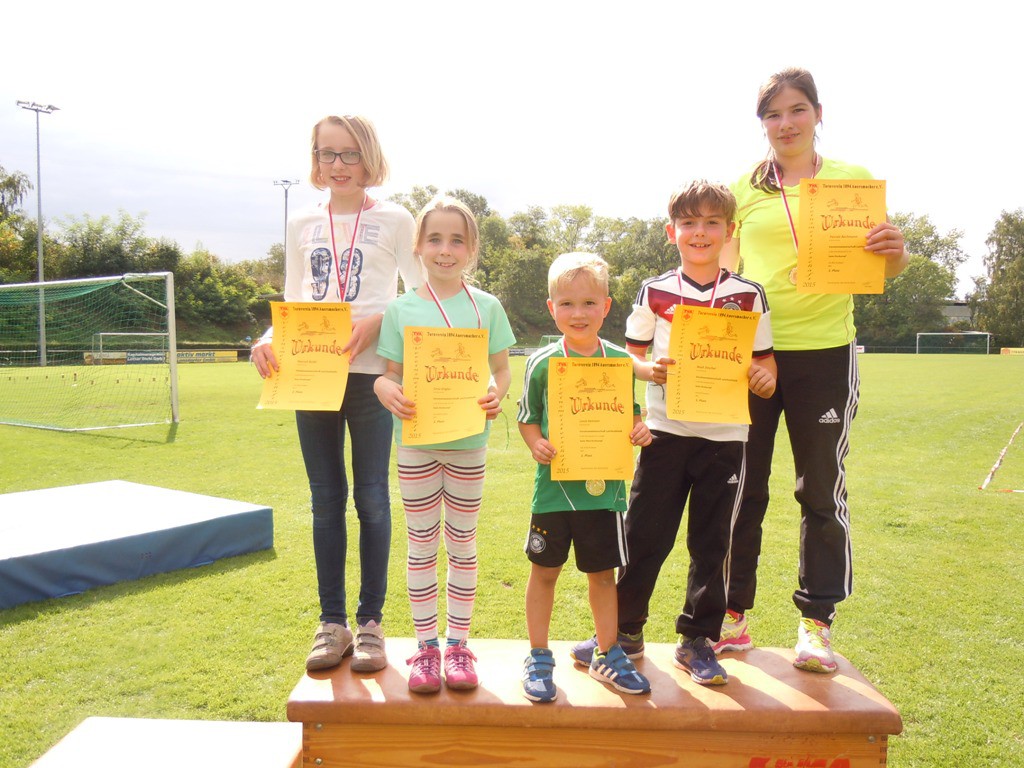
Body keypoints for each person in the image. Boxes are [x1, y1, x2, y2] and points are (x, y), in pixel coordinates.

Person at [719, 68, 909, 673]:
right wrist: (748, 350)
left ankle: (816, 624)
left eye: (797, 110)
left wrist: (897, 253)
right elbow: (725, 280)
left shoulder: (852, 182)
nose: (786, 123)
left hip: (827, 353)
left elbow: (885, 268)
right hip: (755, 355)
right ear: (763, 125)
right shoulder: (742, 189)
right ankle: (732, 617)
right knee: (740, 490)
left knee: (820, 490)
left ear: (818, 114)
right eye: (773, 114)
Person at [569, 181, 776, 686]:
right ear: (672, 232)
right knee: (644, 535)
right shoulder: (654, 289)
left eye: (711, 223)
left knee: (712, 543)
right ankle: (622, 632)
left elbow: (766, 366)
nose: (699, 232)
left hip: (726, 437)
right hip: (663, 432)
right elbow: (628, 359)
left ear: (730, 231)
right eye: (689, 223)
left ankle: (697, 640)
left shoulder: (748, 295)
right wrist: (649, 368)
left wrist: (764, 378)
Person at [250, 115, 420, 673]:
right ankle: (332, 623)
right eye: (327, 154)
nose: (338, 165)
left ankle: (370, 623)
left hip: (374, 377)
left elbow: (421, 295)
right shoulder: (301, 220)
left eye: (349, 154)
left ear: (369, 158)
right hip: (311, 373)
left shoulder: (396, 219)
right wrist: (267, 337)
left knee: (371, 498)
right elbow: (294, 296)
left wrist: (376, 320)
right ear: (315, 160)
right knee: (326, 498)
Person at [374, 197, 515, 693]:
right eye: (435, 238)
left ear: (472, 248)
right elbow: (387, 376)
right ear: (418, 247)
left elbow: (501, 369)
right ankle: (426, 649)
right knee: (419, 545)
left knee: (461, 544)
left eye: (457, 239)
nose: (445, 249)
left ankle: (458, 645)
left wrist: (497, 393)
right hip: (415, 443)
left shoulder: (487, 307)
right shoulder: (401, 307)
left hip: (467, 443)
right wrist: (385, 389)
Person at [517, 252, 654, 703]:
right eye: (568, 304)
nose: (579, 314)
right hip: (554, 494)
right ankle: (538, 655)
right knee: (545, 573)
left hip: (604, 492)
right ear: (552, 306)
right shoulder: (541, 363)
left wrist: (639, 430)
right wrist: (535, 442)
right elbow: (527, 418)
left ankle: (606, 651)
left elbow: (630, 416)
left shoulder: (619, 362)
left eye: (589, 303)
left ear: (607, 307)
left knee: (602, 575)